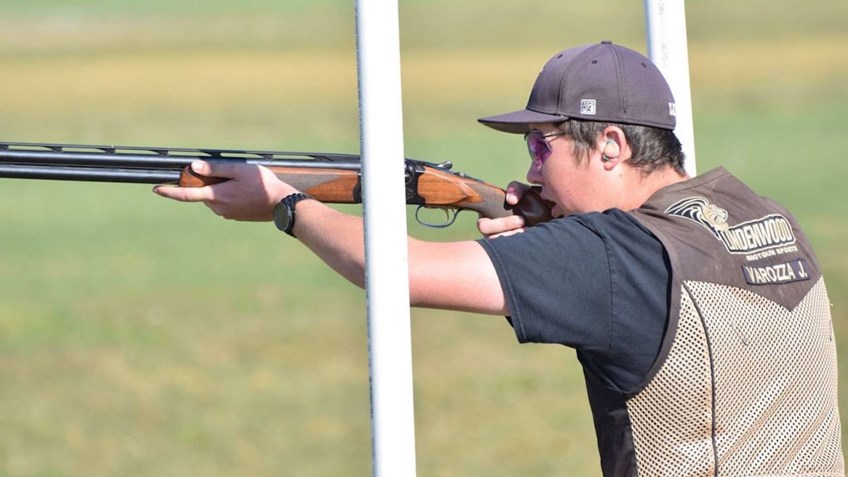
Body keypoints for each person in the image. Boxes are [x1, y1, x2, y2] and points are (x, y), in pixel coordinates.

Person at [153, 41, 844, 476]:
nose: (534, 172)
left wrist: (283, 204)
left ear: (610, 145)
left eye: (542, 147)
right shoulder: (765, 217)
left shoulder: (616, 255)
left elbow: (400, 273)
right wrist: (548, 231)